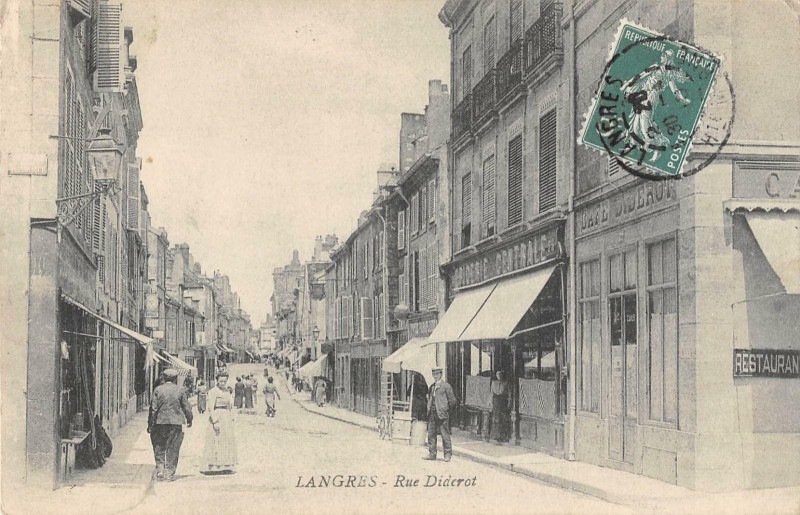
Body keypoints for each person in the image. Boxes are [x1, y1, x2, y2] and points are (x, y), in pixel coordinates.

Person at [148, 369, 193, 481]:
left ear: (164, 378)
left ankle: (160, 468)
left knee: (159, 445)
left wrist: (150, 424)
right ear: (175, 378)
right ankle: (169, 473)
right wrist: (189, 419)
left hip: (160, 422)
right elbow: (186, 407)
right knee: (173, 448)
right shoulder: (180, 390)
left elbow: (153, 408)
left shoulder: (158, 389)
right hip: (176, 423)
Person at [203, 372, 238, 474]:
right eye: (221, 381)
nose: (222, 383)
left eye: (224, 381)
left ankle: (225, 464)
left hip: (226, 417)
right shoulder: (213, 391)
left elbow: (229, 405)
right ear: (217, 380)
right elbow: (211, 407)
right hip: (218, 415)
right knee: (215, 439)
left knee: (226, 440)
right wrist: (215, 421)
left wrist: (231, 416)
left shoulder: (227, 391)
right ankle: (213, 466)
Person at [424, 367, 457, 462]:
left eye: (437, 374)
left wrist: (446, 410)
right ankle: (432, 453)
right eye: (434, 374)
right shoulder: (432, 387)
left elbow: (453, 401)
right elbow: (429, 398)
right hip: (432, 413)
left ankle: (447, 454)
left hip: (442, 414)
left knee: (444, 434)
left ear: (441, 374)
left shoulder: (446, 386)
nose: (435, 376)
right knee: (431, 434)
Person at [490, 371, 510, 443]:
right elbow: (491, 394)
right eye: (498, 374)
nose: (499, 376)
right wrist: (491, 403)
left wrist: (509, 403)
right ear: (496, 375)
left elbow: (509, 394)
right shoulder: (493, 383)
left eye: (500, 374)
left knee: (503, 419)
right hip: (496, 402)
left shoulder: (505, 383)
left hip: (503, 402)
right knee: (496, 419)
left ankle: (503, 436)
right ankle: (496, 436)